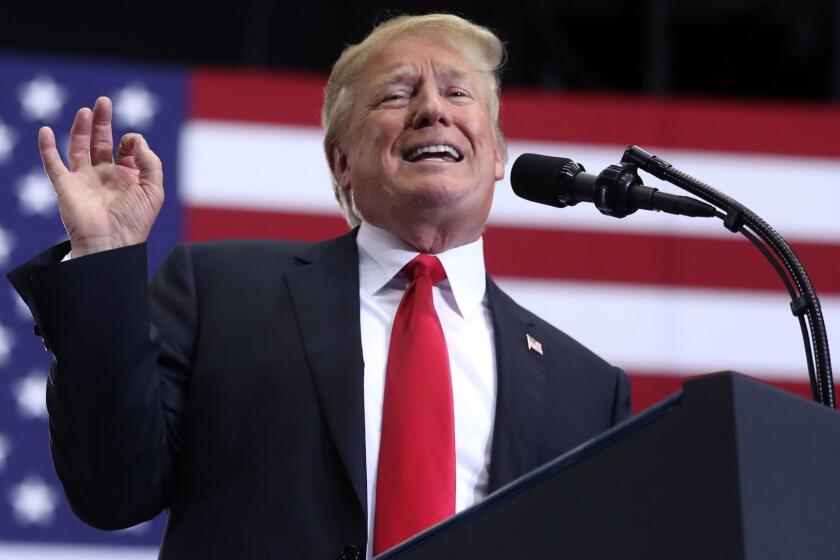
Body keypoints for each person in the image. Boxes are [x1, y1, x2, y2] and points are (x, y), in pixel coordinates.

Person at [8, 13, 630, 560]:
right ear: (341, 161)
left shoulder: (589, 391)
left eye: (458, 91)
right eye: (396, 94)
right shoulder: (220, 292)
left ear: (495, 152)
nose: (433, 108)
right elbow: (112, 489)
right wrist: (103, 257)